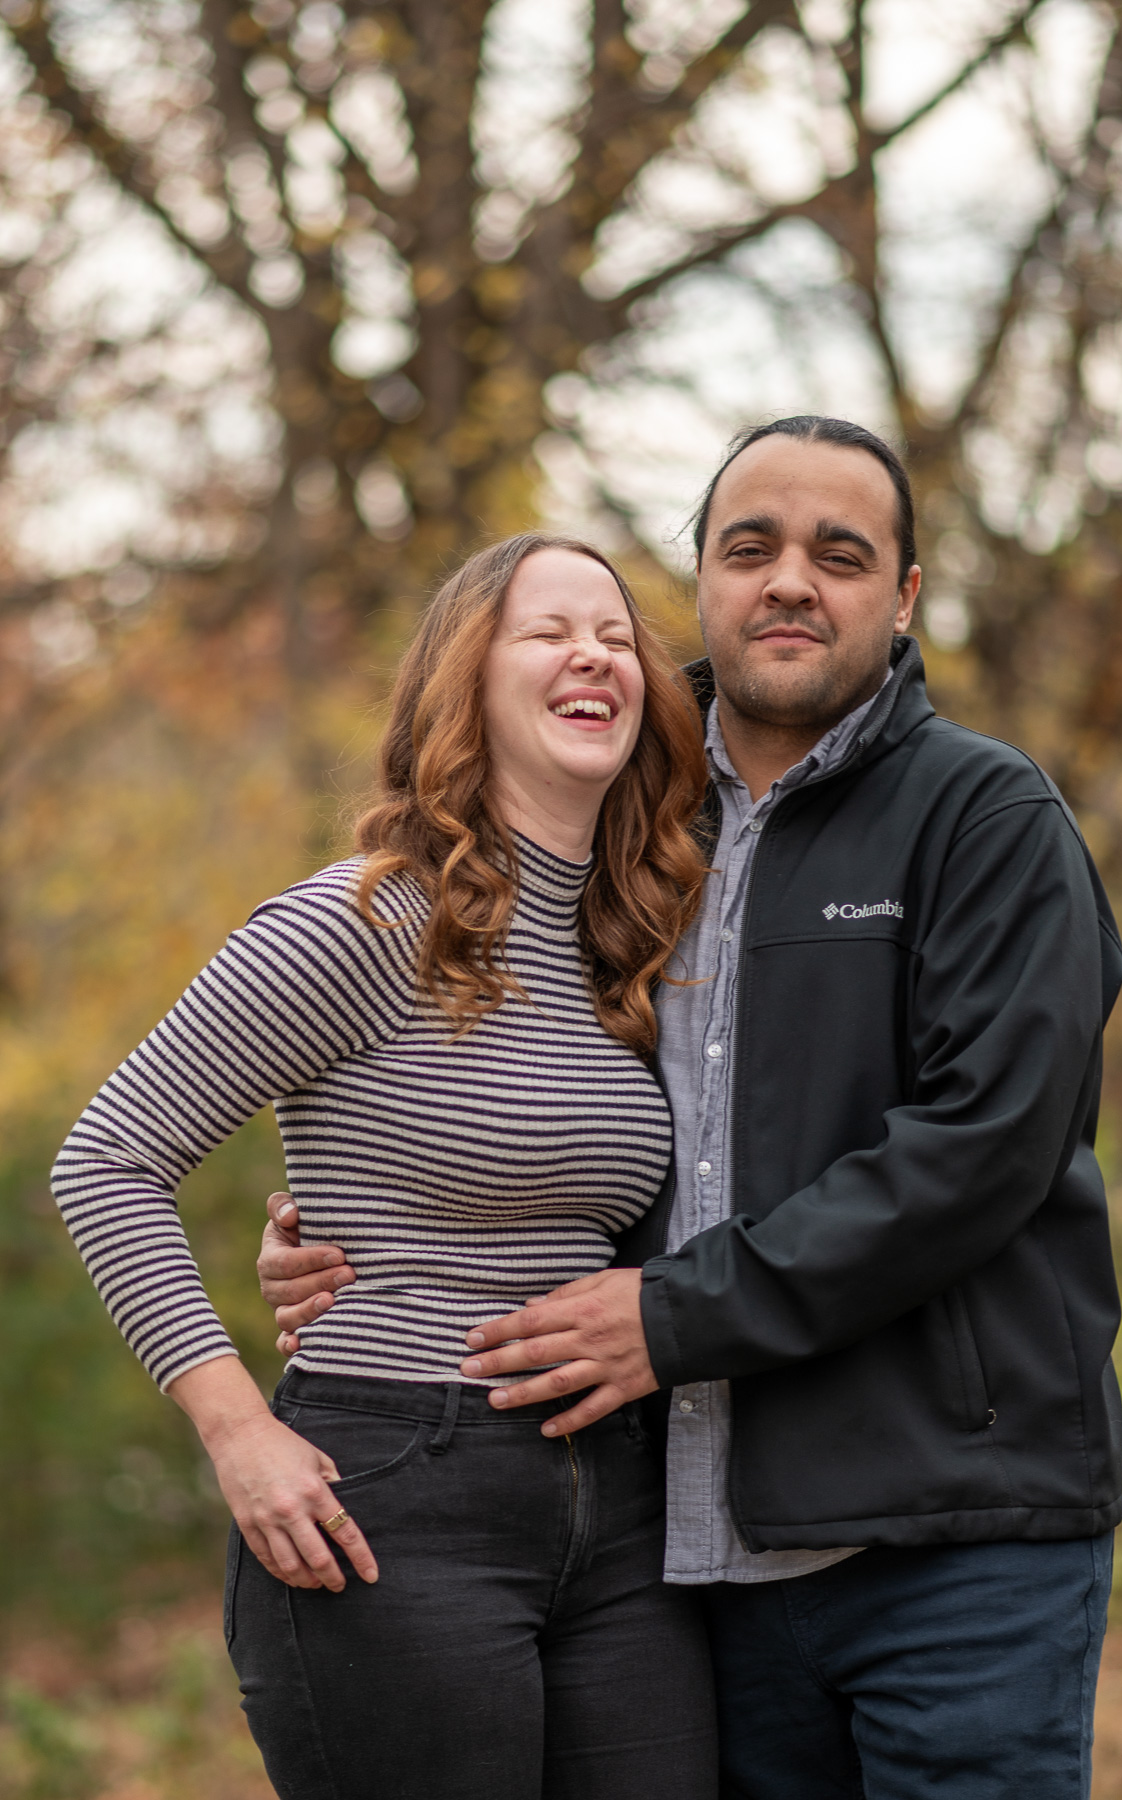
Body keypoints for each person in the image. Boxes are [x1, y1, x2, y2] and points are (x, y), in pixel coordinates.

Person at [262, 417, 1122, 1799]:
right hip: (682, 1558)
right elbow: (513, 1088)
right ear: (703, 578)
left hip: (954, 1544)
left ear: (904, 596)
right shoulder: (616, 815)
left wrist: (675, 1317)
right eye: (750, 547)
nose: (790, 581)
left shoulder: (982, 816)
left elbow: (984, 1146)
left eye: (840, 555)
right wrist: (376, 1227)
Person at [51, 532, 721, 1800]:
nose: (593, 655)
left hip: (620, 1504)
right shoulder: (363, 920)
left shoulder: (633, 946)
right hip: (395, 1497)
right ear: (464, 682)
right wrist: (236, 1429)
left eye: (616, 636)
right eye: (547, 632)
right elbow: (109, 1159)